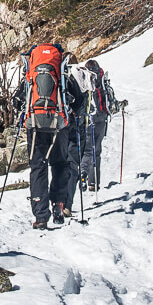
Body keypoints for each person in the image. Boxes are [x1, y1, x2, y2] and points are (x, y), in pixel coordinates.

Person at [17, 42, 71, 229]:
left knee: (38, 167)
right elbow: (77, 100)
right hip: (60, 124)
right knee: (60, 164)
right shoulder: (62, 73)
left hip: (36, 125)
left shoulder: (30, 75)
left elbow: (17, 100)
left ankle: (40, 215)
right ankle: (58, 204)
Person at [64, 56, 91, 217]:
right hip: (77, 127)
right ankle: (67, 204)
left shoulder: (57, 77)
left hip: (58, 128)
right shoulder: (82, 75)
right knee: (73, 165)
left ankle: (56, 202)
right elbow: (86, 103)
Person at [81, 57, 109, 191]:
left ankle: (83, 173)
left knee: (86, 150)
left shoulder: (83, 78)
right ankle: (94, 182)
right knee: (96, 150)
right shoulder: (102, 79)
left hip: (87, 120)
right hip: (101, 119)